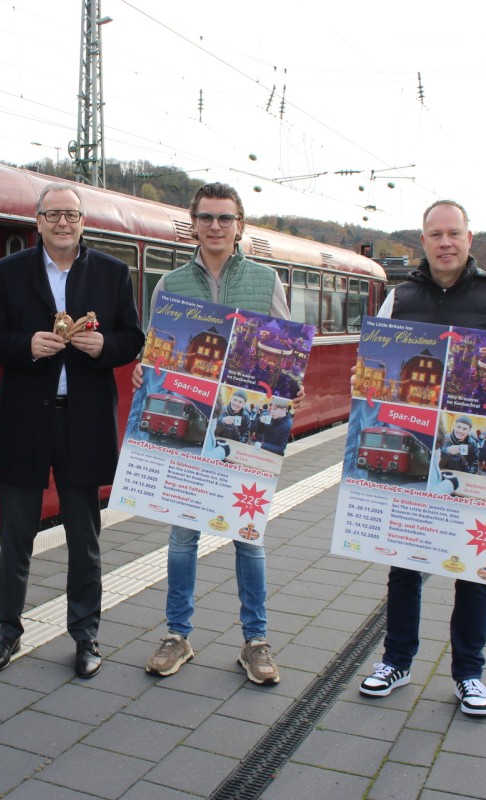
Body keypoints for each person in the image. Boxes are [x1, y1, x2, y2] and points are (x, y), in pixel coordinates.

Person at [357, 200, 486, 717]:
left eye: (453, 233)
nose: (445, 242)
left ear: (469, 239)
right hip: (412, 443)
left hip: (474, 450)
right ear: (423, 240)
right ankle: (397, 661)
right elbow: (373, 365)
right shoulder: (400, 297)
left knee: (474, 568)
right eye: (435, 234)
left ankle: (469, 674)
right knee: (405, 561)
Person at [0, 182, 144, 678]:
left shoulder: (113, 274)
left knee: (84, 535)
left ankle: (86, 634)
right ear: (38, 222)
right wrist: (26, 345)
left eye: (70, 215)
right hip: (27, 419)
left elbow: (133, 337)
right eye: (52, 215)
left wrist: (104, 348)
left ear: (83, 221)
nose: (62, 223)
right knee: (16, 535)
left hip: (85, 418)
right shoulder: (9, 273)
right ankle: (7, 631)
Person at [136, 182, 294, 686]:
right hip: (188, 422)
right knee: (183, 535)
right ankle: (177, 634)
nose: (216, 227)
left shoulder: (266, 280)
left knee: (248, 537)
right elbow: (155, 349)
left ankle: (256, 642)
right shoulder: (170, 284)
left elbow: (284, 353)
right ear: (194, 224)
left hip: (244, 430)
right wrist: (146, 370)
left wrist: (290, 385)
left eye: (225, 218)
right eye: (206, 218)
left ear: (239, 225)